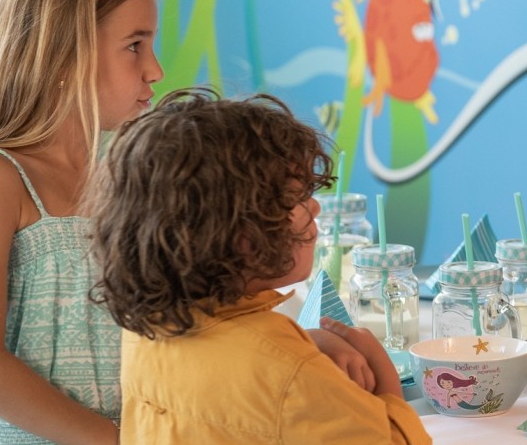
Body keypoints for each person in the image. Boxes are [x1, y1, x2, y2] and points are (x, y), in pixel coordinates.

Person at [89, 89, 429, 444]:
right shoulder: (290, 374)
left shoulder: (147, 328)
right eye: (297, 199)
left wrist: (305, 345)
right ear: (243, 238)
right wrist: (385, 378)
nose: (314, 209)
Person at [0, 0, 159, 444]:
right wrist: (114, 440)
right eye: (135, 45)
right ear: (65, 54)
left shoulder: (129, 167)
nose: (155, 70)